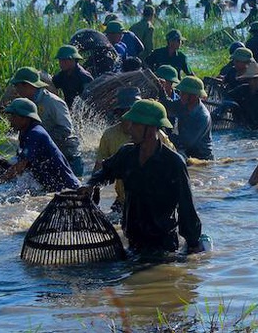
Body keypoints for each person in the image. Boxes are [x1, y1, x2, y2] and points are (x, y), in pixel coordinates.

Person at [86, 99, 203, 253]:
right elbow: (106, 171)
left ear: (151, 128)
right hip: (133, 240)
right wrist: (90, 185)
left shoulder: (173, 163)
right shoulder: (126, 154)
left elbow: (186, 207)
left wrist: (193, 244)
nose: (130, 129)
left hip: (163, 245)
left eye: (135, 124)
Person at [94, 87, 175, 212]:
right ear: (120, 113)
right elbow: (100, 167)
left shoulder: (159, 138)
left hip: (152, 204)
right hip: (124, 200)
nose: (132, 120)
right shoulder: (110, 136)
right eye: (128, 114)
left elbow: (173, 177)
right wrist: (93, 189)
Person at [0, 98, 80, 192]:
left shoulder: (35, 134)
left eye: (14, 116)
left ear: (25, 118)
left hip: (67, 189)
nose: (10, 120)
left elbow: (20, 167)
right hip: (51, 187)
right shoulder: (24, 132)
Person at [10, 67, 84, 177]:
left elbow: (66, 130)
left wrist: (40, 140)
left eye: (17, 86)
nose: (16, 89)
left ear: (27, 85)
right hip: (44, 156)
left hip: (68, 158)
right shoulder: (26, 104)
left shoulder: (53, 102)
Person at [161, 76, 213, 160]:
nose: (180, 95)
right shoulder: (183, 104)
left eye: (183, 93)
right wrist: (161, 90)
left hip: (201, 157)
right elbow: (168, 107)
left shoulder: (202, 116)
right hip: (186, 150)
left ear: (194, 96)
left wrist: (166, 135)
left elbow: (187, 142)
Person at [52, 45, 93, 109]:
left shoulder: (84, 77)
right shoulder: (62, 75)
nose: (61, 63)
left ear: (73, 60)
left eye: (64, 61)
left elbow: (90, 99)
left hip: (83, 110)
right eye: (60, 61)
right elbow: (52, 84)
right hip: (68, 108)